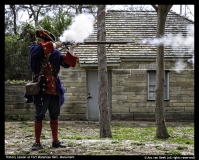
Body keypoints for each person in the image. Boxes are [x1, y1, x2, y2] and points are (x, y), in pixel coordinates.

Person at [24, 29, 78, 151]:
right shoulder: (34, 49)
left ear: (47, 41)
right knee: (39, 115)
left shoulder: (55, 53)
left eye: (40, 40)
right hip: (41, 87)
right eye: (37, 40)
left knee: (54, 115)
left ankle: (55, 141)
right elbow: (40, 50)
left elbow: (67, 63)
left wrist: (72, 49)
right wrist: (57, 44)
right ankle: (37, 142)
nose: (37, 42)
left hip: (54, 88)